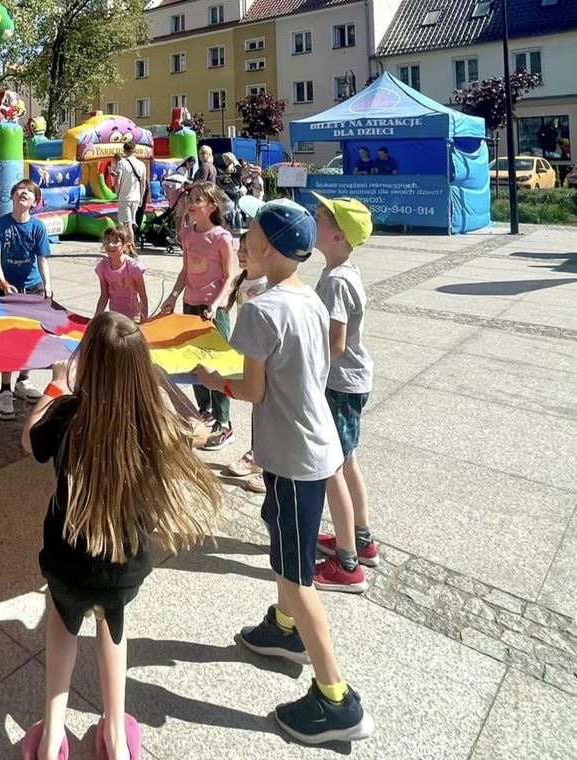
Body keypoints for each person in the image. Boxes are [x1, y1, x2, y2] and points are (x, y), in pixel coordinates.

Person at [195, 200, 374, 745]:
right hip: (306, 446)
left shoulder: (261, 310)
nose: (241, 244)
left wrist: (211, 378)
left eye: (247, 236)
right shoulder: (308, 297)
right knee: (284, 544)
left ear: (268, 247)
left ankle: (336, 699)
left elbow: (253, 390)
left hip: (294, 455)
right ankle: (284, 628)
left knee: (298, 575)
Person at [20, 312, 221, 760]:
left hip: (67, 560)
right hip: (124, 566)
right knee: (112, 624)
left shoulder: (68, 412)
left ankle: (53, 738)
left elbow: (28, 440)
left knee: (63, 620)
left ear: (86, 361)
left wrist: (55, 383)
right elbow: (195, 434)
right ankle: (114, 735)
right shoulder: (154, 422)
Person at [310, 193, 379, 593]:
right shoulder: (342, 271)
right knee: (347, 462)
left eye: (320, 217)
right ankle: (361, 538)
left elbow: (334, 343)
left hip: (339, 383)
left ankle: (348, 564)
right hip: (352, 381)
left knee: (332, 468)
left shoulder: (336, 280)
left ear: (337, 235)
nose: (314, 218)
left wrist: (304, 365)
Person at [160, 182, 236, 451]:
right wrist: (172, 297)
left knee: (216, 364)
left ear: (212, 206)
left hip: (213, 310)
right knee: (193, 363)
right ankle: (205, 410)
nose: (191, 203)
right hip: (190, 305)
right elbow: (185, 271)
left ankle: (224, 422)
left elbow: (229, 277)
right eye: (190, 198)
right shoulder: (187, 233)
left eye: (198, 200)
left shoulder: (221, 237)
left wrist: (216, 305)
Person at [0, 179, 53, 420]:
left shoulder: (38, 227)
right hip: (8, 291)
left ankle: (23, 381)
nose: (24, 193)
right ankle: (4, 389)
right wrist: (4, 284)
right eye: (20, 190)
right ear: (12, 195)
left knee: (31, 339)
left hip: (33, 289)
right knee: (9, 339)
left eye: (30, 192)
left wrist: (48, 286)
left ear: (35, 202)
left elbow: (42, 260)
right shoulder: (1, 225)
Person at [222, 230, 267, 494]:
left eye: (246, 249)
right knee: (257, 407)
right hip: (250, 354)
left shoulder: (265, 285)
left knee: (263, 406)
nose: (241, 253)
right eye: (240, 248)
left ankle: (266, 466)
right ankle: (257, 455)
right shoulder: (243, 280)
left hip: (264, 354)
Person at [94, 225, 148, 323]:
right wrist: (96, 317)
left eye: (116, 241)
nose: (110, 244)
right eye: (107, 240)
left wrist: (144, 316)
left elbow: (143, 295)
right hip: (114, 316)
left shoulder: (132, 267)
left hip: (132, 317)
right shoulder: (103, 267)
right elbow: (104, 296)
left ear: (125, 246)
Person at [112, 141, 147, 237]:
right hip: (136, 197)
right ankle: (128, 244)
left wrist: (117, 193)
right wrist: (141, 197)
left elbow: (117, 181)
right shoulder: (142, 164)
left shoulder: (121, 163)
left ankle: (131, 245)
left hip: (124, 197)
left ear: (124, 150)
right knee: (131, 222)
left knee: (127, 224)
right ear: (134, 150)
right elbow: (143, 184)